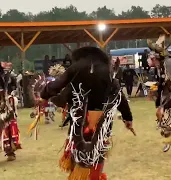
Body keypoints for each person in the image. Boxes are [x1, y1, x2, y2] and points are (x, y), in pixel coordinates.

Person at [40, 47, 134, 179]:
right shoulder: (107, 71)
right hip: (101, 127)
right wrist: (127, 117)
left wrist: (45, 94)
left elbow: (57, 87)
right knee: (96, 159)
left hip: (80, 125)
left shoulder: (76, 68)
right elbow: (119, 96)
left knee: (80, 162)